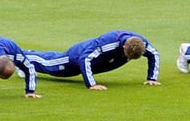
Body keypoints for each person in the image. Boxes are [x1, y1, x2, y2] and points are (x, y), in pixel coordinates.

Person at [25, 31, 160, 89]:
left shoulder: (142, 44)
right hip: (78, 56)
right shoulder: (108, 43)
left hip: (100, 62)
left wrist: (151, 78)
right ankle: (24, 57)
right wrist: (92, 84)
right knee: (53, 67)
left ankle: (27, 61)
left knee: (56, 66)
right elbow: (85, 58)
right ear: (124, 46)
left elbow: (154, 54)